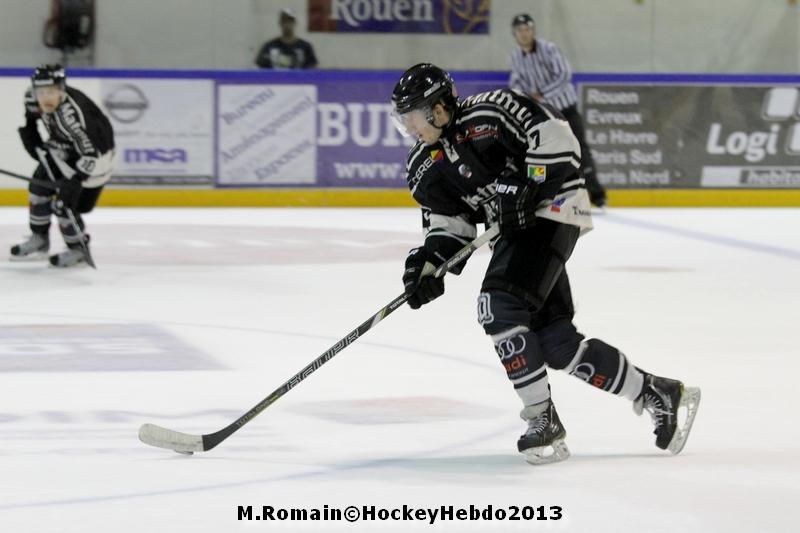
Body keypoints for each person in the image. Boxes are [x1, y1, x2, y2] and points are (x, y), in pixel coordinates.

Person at [391, 63, 700, 464]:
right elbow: (450, 227)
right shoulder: (424, 166)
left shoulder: (492, 111)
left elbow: (558, 137)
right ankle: (656, 391)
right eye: (403, 119)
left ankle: (541, 418)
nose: (409, 127)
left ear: (438, 108)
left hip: (552, 208)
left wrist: (529, 182)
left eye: (413, 116)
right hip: (515, 233)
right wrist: (429, 264)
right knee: (556, 343)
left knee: (498, 306)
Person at [10, 64, 114, 267]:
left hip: (96, 161)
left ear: (62, 89)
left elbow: (94, 153)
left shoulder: (74, 116)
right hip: (62, 151)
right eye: (41, 92)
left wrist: (76, 180)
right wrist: (31, 136)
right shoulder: (32, 98)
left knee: (65, 203)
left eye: (51, 91)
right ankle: (39, 239)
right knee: (38, 188)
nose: (45, 97)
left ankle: (78, 249)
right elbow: (32, 119)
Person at [509, 13, 607, 207]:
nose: (524, 33)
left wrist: (542, 94)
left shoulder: (548, 49)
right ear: (514, 33)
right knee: (546, 155)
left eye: (527, 29)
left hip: (566, 109)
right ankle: (550, 196)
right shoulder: (516, 57)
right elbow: (517, 82)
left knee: (580, 150)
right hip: (545, 116)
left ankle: (597, 195)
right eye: (520, 30)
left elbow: (564, 74)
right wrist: (526, 97)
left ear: (532, 30)